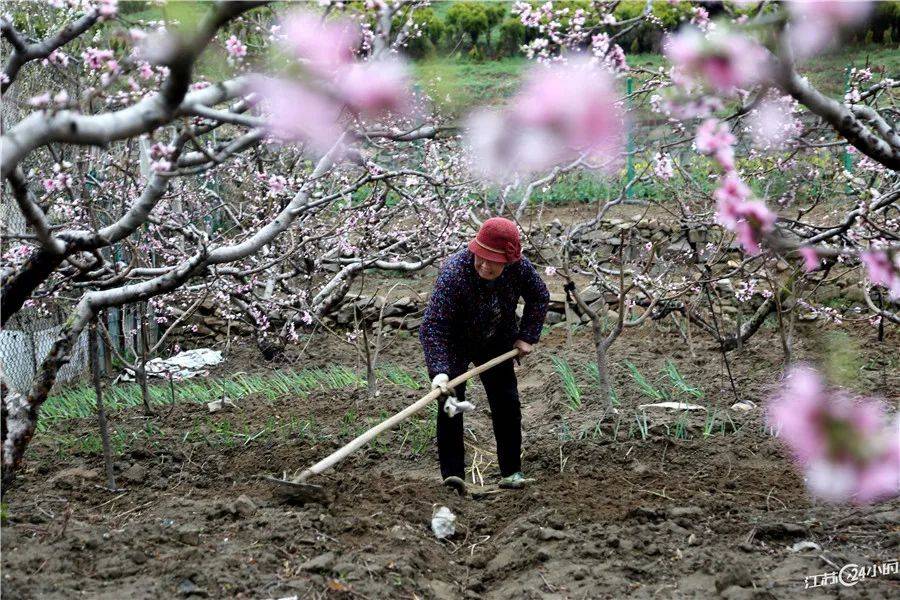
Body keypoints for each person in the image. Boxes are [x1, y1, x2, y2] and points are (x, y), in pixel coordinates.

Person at [419, 217, 549, 495]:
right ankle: (453, 477)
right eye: (481, 257)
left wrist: (527, 334)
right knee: (450, 403)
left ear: (510, 260)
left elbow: (539, 295)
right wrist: (440, 370)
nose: (485, 265)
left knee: (507, 403)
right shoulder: (454, 273)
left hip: (497, 339)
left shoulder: (520, 269)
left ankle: (511, 471)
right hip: (455, 342)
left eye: (493, 261)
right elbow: (434, 325)